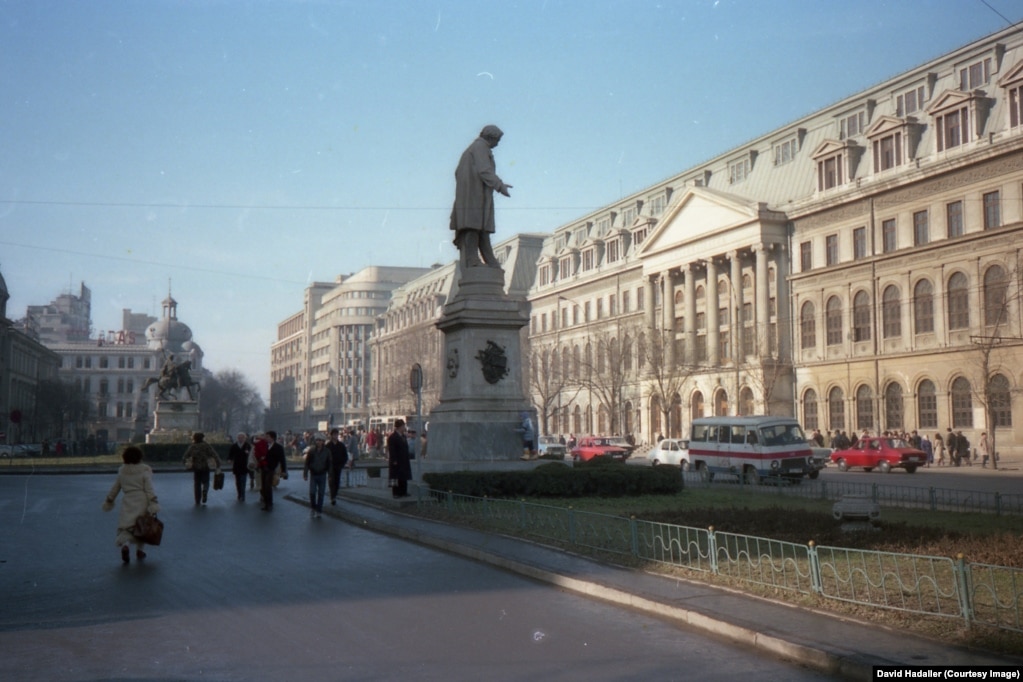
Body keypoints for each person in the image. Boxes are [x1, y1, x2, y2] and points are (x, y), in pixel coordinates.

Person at [449, 125, 512, 268]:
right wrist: (499, 185)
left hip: (473, 195)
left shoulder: (474, 148)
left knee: (481, 228)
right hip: (474, 196)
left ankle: (489, 260)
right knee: (474, 226)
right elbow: (484, 170)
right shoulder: (480, 148)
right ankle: (473, 260)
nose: (498, 143)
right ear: (491, 137)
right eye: (498, 140)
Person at [102, 445, 160, 564]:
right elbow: (149, 489)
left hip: (128, 499)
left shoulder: (122, 472)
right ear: (139, 457)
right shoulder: (144, 470)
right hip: (142, 500)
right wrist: (153, 502)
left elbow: (116, 488)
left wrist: (109, 500)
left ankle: (126, 545)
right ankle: (139, 551)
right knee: (141, 527)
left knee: (126, 526)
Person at [183, 432, 221, 506]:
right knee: (206, 481)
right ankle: (205, 490)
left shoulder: (193, 446)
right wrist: (218, 464)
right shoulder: (206, 446)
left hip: (196, 467)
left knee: (197, 484)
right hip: (205, 466)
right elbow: (214, 454)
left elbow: (185, 456)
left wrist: (185, 464)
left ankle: (197, 500)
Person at [303, 434, 330, 518]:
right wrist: (305, 473)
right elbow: (307, 463)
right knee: (312, 492)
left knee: (321, 493)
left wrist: (330, 474)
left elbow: (329, 463)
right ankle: (313, 508)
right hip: (314, 474)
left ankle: (319, 510)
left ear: (323, 442)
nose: (318, 442)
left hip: (322, 474)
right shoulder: (312, 450)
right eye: (317, 440)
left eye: (320, 440)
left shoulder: (327, 451)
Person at [260, 430, 288, 511]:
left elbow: (282, 459)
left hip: (271, 469)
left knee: (268, 486)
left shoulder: (278, 447)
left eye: (267, 437)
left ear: (272, 438)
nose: (265, 438)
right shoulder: (264, 446)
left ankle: (269, 504)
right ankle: (266, 503)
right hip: (263, 468)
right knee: (263, 487)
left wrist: (283, 470)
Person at [387, 418, 412, 498]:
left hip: (404, 460)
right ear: (399, 427)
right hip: (397, 461)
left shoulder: (403, 436)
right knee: (396, 477)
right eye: (403, 426)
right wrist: (394, 460)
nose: (404, 428)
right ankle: (396, 493)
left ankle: (403, 492)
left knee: (403, 477)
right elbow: (392, 450)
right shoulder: (393, 437)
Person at [326, 428, 351, 506]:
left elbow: (345, 456)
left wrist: (342, 464)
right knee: (331, 482)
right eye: (334, 434)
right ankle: (332, 497)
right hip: (330, 467)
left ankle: (334, 496)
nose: (335, 436)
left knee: (337, 482)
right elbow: (325, 456)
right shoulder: (328, 445)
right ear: (331, 435)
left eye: (336, 434)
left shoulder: (341, 445)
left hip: (338, 466)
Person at [227, 432, 251, 502]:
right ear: (237, 438)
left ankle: (243, 495)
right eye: (239, 437)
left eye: (242, 437)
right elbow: (230, 454)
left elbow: (251, 453)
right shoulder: (234, 446)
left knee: (243, 481)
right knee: (238, 481)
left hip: (244, 465)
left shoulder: (247, 445)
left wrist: (248, 453)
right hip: (237, 465)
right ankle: (239, 493)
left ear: (244, 438)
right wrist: (229, 459)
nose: (240, 439)